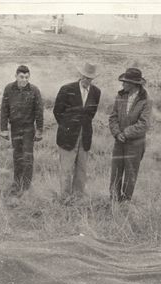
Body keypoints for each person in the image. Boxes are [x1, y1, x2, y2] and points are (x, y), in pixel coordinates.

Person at [53, 62, 101, 201]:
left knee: (81, 170)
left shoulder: (96, 92)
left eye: (90, 78)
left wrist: (82, 127)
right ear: (80, 75)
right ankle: (65, 199)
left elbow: (91, 114)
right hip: (67, 136)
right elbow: (57, 111)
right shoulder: (66, 89)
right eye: (85, 76)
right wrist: (67, 127)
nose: (87, 80)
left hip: (85, 136)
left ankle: (77, 198)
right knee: (66, 169)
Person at [108, 67, 153, 202]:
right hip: (119, 142)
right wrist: (117, 133)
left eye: (125, 82)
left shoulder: (146, 100)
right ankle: (114, 201)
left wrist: (125, 133)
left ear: (134, 84)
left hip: (135, 144)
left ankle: (125, 202)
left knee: (130, 174)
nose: (123, 84)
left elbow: (144, 124)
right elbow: (113, 117)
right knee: (116, 172)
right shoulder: (120, 96)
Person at [0, 65, 44, 196]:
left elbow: (39, 111)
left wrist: (39, 130)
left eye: (26, 77)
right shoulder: (9, 88)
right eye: (21, 77)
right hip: (15, 127)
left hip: (28, 128)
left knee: (27, 157)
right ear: (16, 76)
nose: (24, 80)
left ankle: (26, 187)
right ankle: (17, 183)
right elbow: (4, 109)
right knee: (17, 156)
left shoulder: (34, 90)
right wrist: (4, 129)